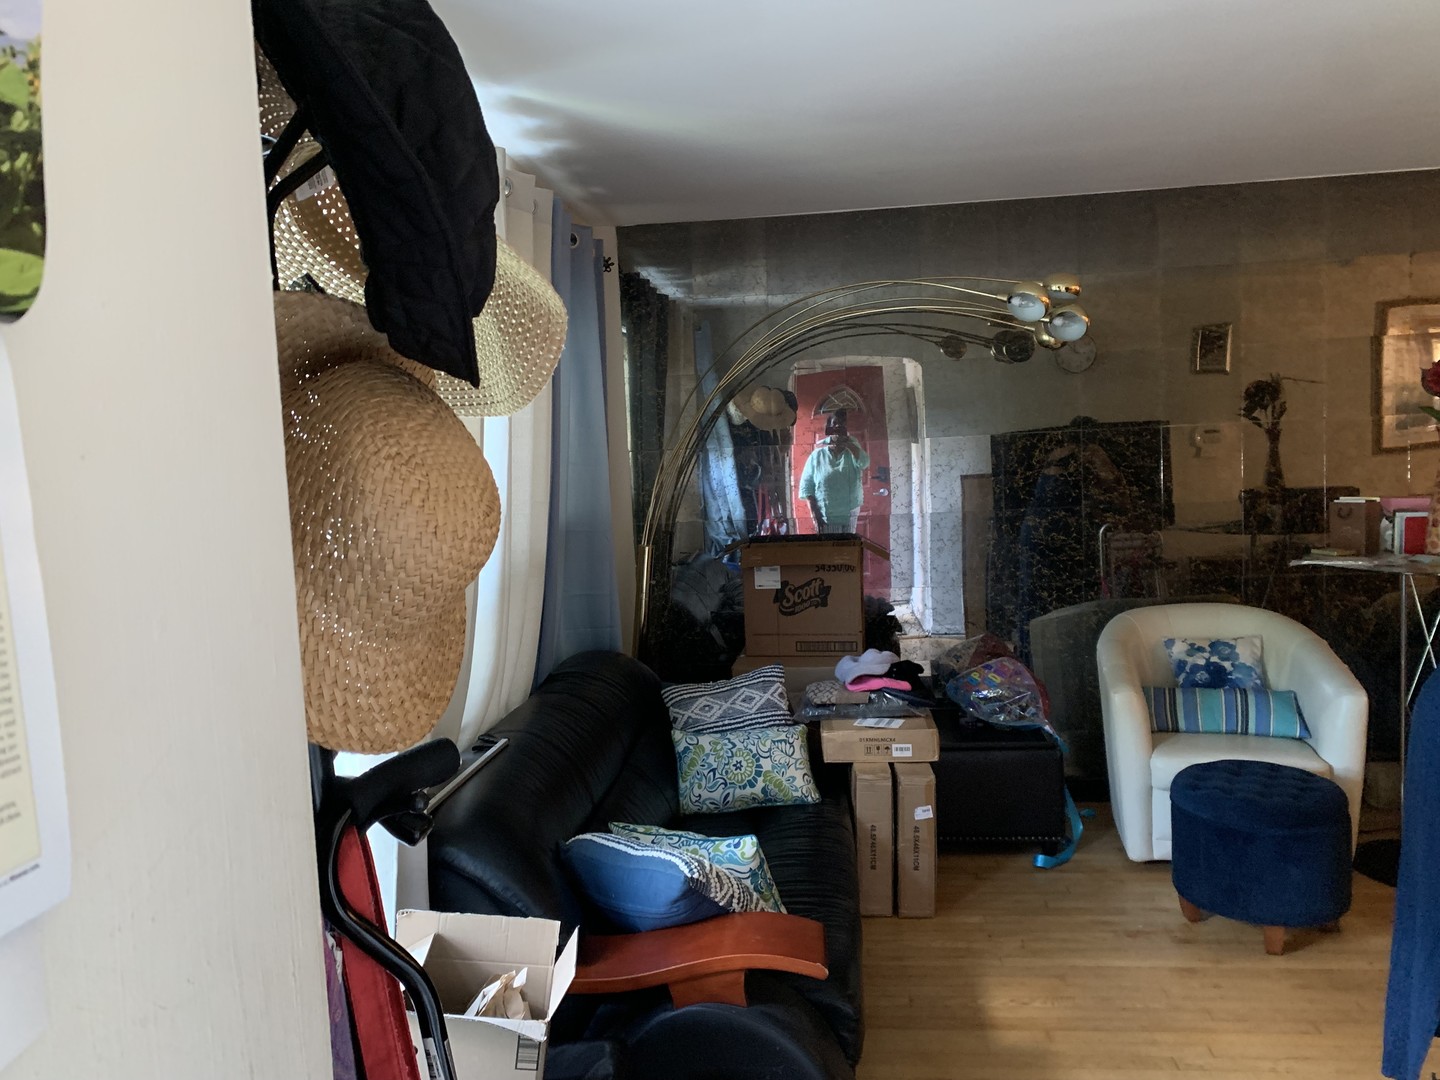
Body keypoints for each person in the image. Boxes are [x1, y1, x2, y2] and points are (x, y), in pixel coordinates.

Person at [799, 410, 870, 534]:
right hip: (825, 515)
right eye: (835, 424)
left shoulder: (852, 451)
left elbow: (864, 463)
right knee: (829, 550)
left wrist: (849, 443)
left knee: (848, 550)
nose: (838, 427)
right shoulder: (817, 455)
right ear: (829, 428)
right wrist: (816, 517)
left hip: (850, 513)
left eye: (842, 425)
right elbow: (807, 487)